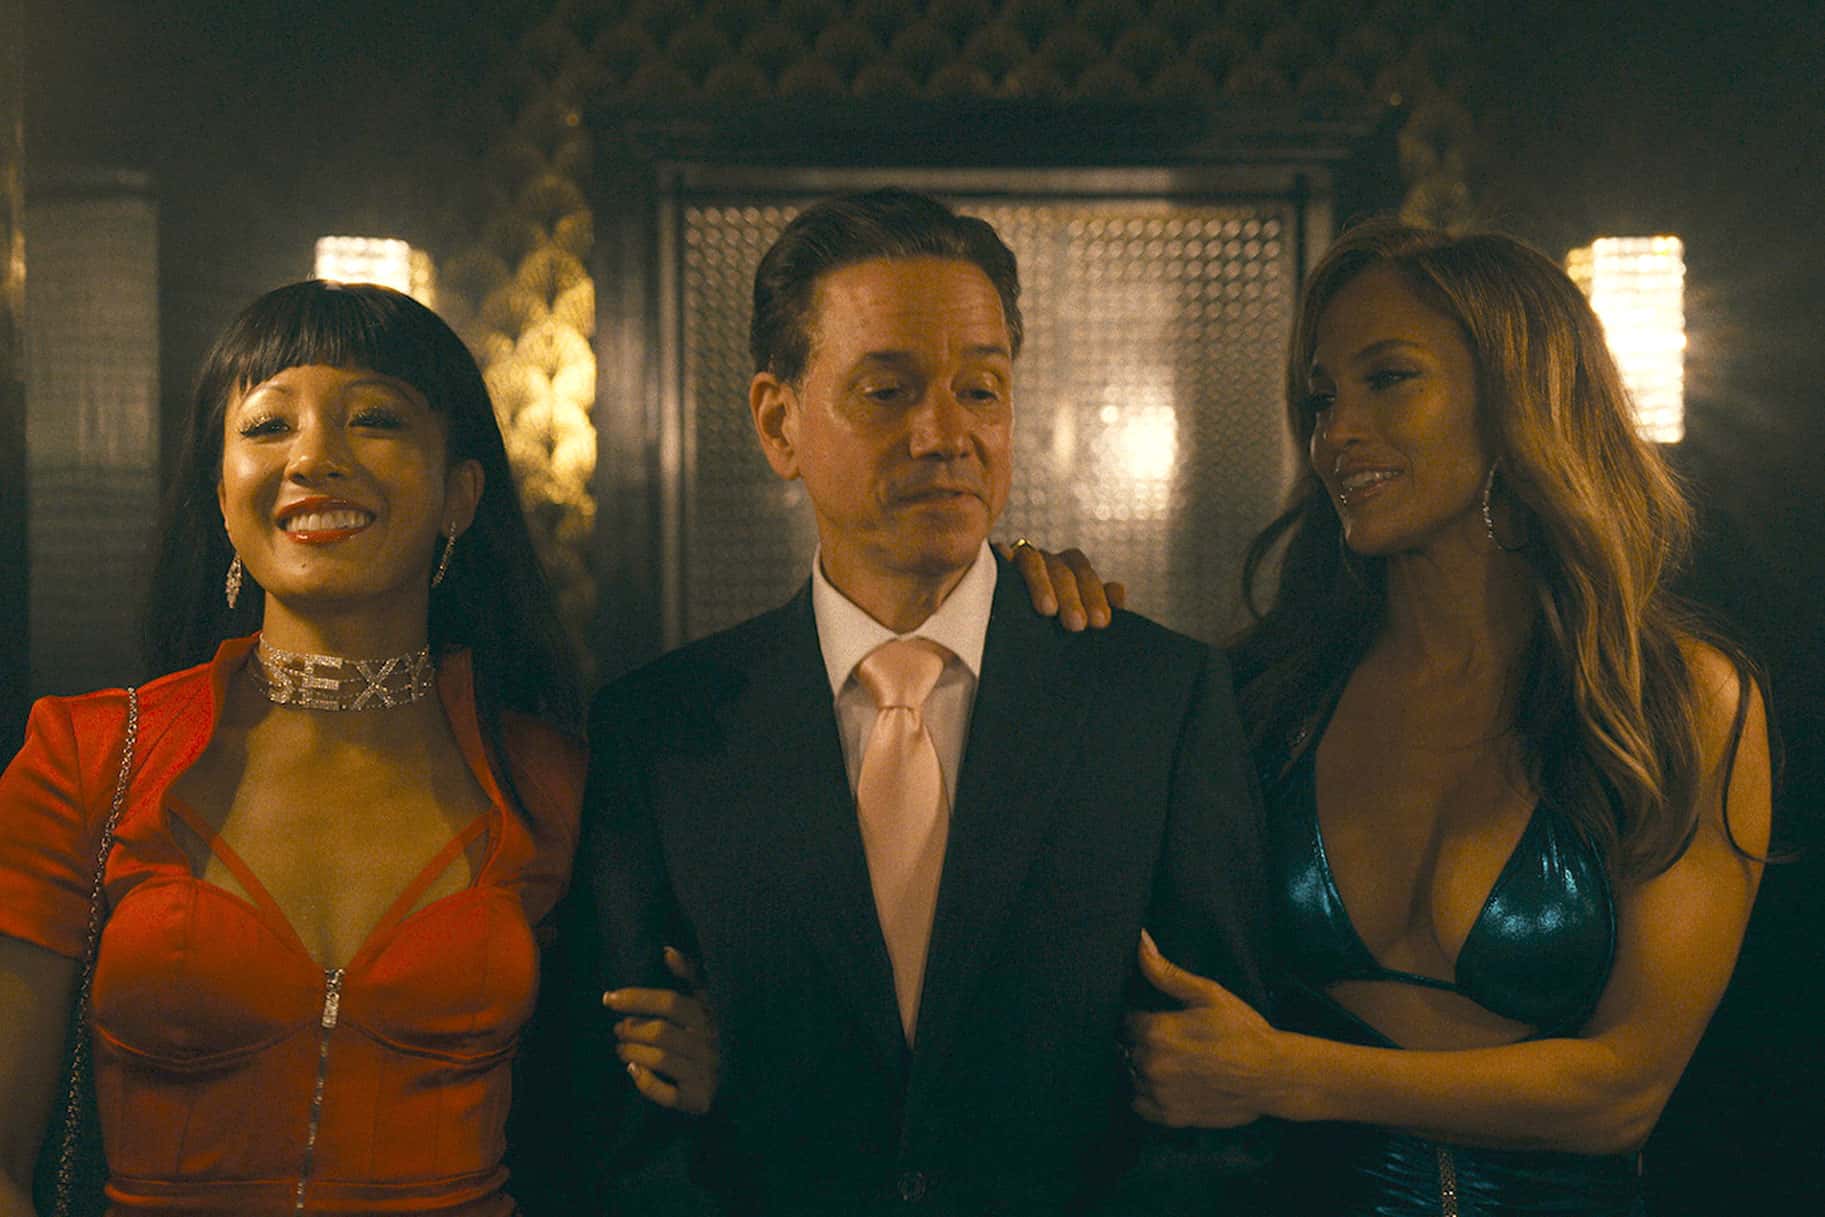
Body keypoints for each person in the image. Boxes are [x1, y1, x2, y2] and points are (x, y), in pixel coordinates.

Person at [540, 189, 1272, 1215]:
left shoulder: (1155, 700)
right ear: (778, 422)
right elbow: (624, 1118)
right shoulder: (662, 731)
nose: (945, 434)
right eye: (886, 391)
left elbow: (1218, 1101)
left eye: (980, 389)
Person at [0, 281, 714, 1217]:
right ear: (223, 497)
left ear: (460, 494)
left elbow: (610, 1108)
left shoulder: (555, 780)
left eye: (373, 419)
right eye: (268, 426)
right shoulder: (88, 755)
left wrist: (713, 1068)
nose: (314, 458)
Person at [1102, 220, 1773, 1215]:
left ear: (1518, 400)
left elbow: (1623, 1089)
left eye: (1388, 379)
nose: (1335, 433)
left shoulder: (1672, 702)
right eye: (1322, 398)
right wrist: (1028, 612)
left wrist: (1283, 1072)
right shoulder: (1268, 696)